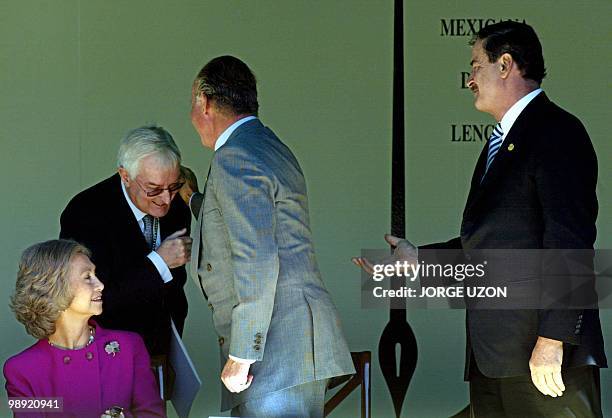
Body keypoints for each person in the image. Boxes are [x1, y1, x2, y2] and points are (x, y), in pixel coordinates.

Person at [354, 21, 606, 417]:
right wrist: (418, 259)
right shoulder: (500, 143)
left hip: (542, 362)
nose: (470, 80)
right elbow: (491, 248)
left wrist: (552, 339)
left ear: (505, 65)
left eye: (476, 66)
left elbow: (570, 241)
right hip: (494, 361)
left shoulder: (557, 131)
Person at [180, 55, 355, 417]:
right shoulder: (267, 145)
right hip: (293, 345)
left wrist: (243, 354)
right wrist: (194, 199)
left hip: (274, 352)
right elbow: (251, 220)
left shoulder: (235, 156)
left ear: (204, 100)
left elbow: (256, 255)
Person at [59, 125, 192, 355]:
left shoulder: (178, 205)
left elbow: (175, 284)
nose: (166, 199)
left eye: (173, 186)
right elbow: (90, 300)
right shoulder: (85, 213)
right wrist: (159, 262)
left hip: (165, 347)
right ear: (125, 176)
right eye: (154, 189)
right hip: (105, 355)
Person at [3, 239, 165, 418]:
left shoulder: (129, 346)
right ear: (54, 288)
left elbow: (152, 414)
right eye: (87, 277)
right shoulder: (21, 371)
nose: (100, 285)